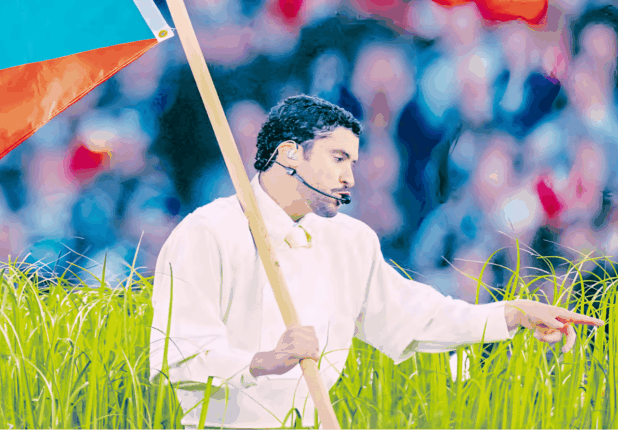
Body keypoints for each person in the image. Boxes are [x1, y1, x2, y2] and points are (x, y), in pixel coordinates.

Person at [149, 95, 604, 429]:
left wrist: (513, 312)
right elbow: (175, 360)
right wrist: (266, 360)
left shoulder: (351, 241)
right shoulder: (206, 233)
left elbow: (421, 317)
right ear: (289, 154)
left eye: (354, 161)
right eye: (338, 158)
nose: (350, 177)